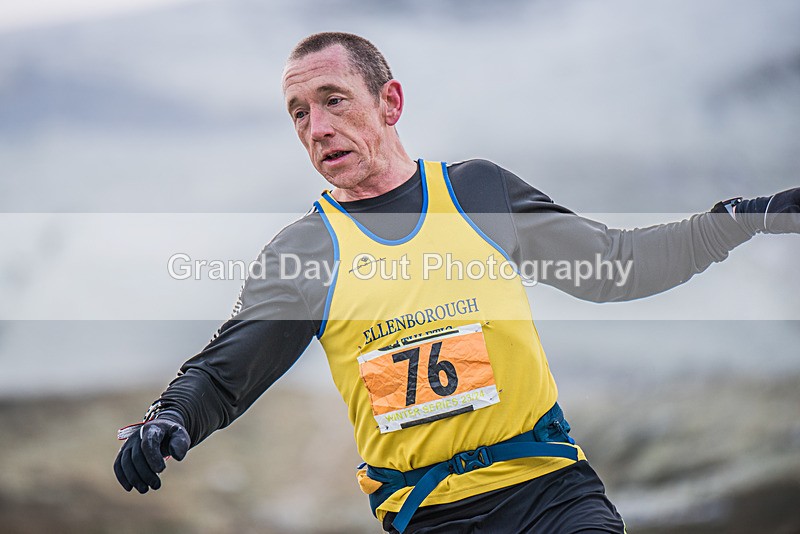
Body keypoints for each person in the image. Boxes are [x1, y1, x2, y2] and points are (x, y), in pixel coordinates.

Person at [113, 32, 799, 533]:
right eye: (298, 112)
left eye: (333, 100)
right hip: (429, 518)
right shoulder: (307, 251)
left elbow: (614, 267)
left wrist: (732, 223)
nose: (317, 128)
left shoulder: (475, 193)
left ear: (390, 102)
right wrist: (170, 416)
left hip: (550, 495)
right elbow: (226, 371)